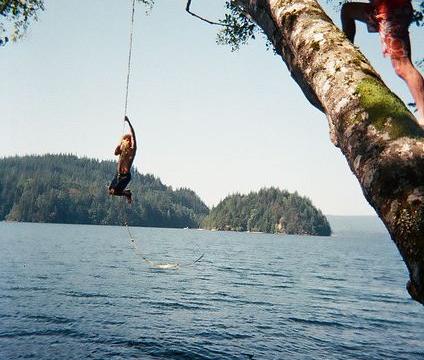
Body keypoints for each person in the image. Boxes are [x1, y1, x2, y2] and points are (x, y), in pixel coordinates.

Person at [341, 0, 424, 125]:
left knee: (403, 67)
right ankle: (346, 45)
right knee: (347, 9)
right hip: (395, 8)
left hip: (388, 10)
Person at [108, 116, 137, 203]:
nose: (126, 141)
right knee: (110, 191)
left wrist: (128, 122)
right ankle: (126, 193)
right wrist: (119, 145)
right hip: (118, 174)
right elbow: (115, 153)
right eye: (125, 139)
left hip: (125, 176)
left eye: (128, 140)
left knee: (115, 191)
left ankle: (127, 194)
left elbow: (133, 136)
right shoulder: (122, 150)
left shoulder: (132, 150)